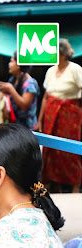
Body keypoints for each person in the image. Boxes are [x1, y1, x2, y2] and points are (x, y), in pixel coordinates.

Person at [37, 38, 82, 193]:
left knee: (69, 150)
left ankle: (75, 185)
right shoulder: (51, 71)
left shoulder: (75, 69)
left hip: (69, 114)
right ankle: (55, 185)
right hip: (51, 113)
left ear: (62, 54)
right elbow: (46, 97)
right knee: (51, 149)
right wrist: (40, 119)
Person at [0, 51, 39, 130]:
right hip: (14, 126)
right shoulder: (13, 79)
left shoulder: (30, 83)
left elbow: (24, 106)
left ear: (18, 65)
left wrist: (11, 89)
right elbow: (2, 95)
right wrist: (0, 94)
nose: (9, 64)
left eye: (11, 61)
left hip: (27, 128)